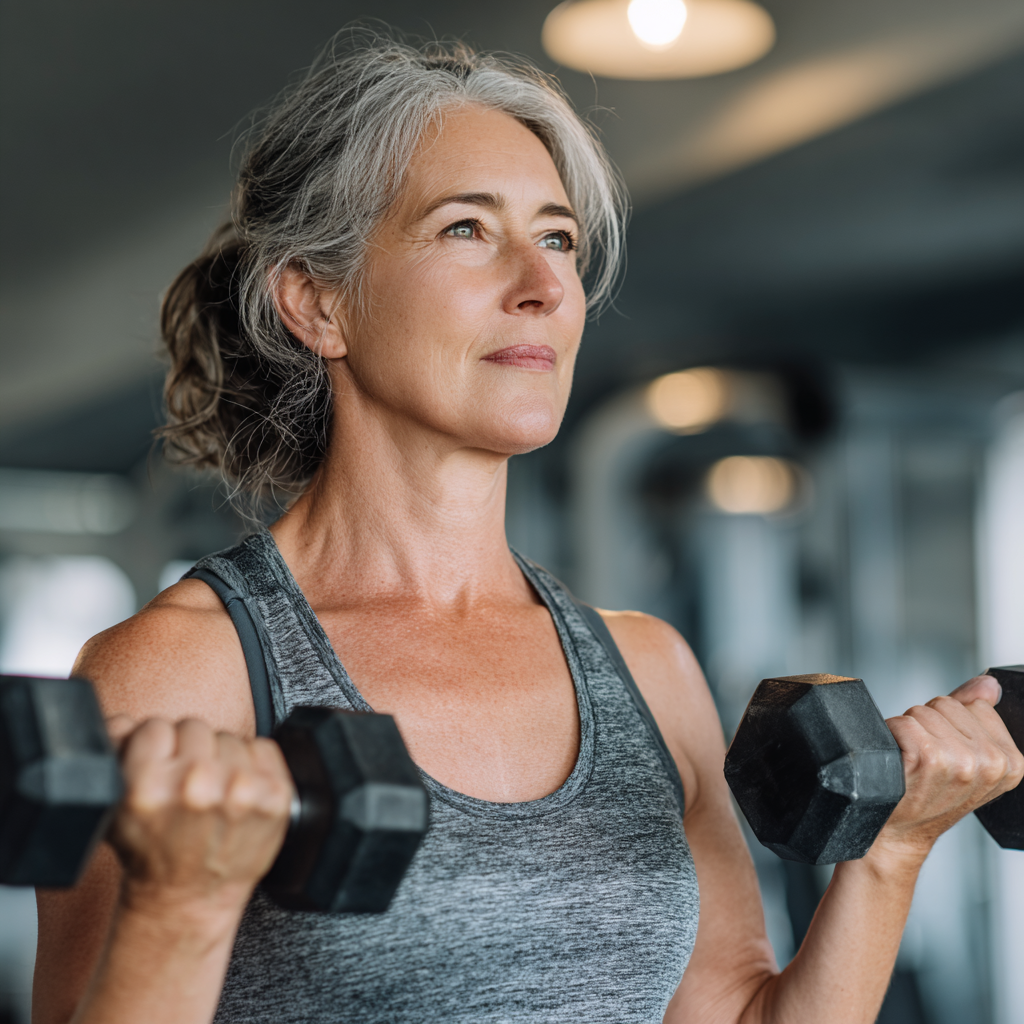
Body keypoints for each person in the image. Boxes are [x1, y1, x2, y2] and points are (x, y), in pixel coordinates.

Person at [33, 33, 1022, 1024]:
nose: (544, 287)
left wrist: (892, 854)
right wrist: (181, 900)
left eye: (557, 240)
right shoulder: (178, 673)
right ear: (317, 301)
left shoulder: (646, 667)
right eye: (467, 228)